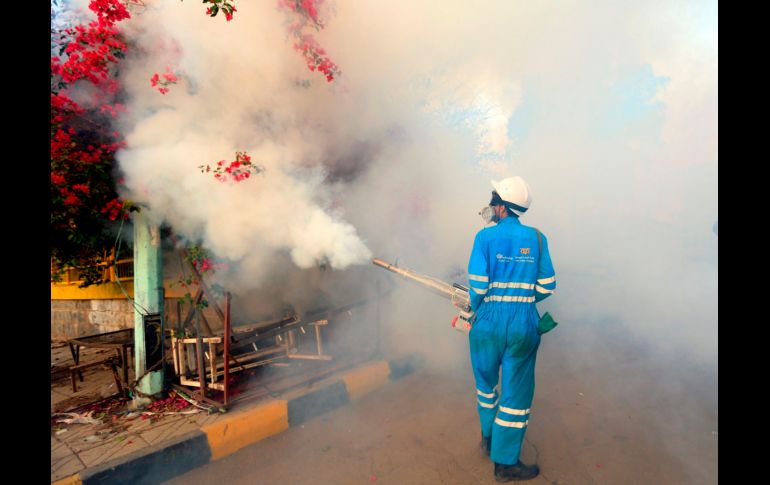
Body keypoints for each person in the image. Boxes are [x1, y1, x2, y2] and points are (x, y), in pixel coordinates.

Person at [466, 176, 556, 482]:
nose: (490, 206)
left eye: (494, 200)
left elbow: (477, 285)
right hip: (522, 323)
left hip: (487, 322)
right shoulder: (537, 238)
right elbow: (547, 285)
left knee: (485, 386)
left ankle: (488, 440)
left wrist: (477, 307)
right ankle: (504, 462)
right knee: (515, 395)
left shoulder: (484, 237)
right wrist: (522, 299)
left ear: (503, 207)